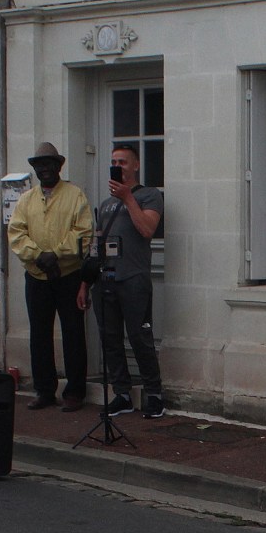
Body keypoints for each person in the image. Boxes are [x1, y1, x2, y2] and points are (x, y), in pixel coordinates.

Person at [77, 144, 166, 418]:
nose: (118, 166)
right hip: (105, 279)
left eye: (123, 162)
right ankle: (122, 394)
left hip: (134, 279)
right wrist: (84, 283)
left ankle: (154, 394)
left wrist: (128, 198)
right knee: (110, 339)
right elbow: (97, 245)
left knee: (140, 337)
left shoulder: (150, 196)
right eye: (114, 161)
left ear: (136, 165)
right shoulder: (105, 205)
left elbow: (148, 229)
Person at [8, 142, 93, 412]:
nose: (45, 169)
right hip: (37, 276)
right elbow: (16, 234)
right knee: (39, 335)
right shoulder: (25, 200)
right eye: (39, 165)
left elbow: (83, 232)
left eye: (49, 164)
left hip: (68, 275)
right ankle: (44, 390)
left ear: (59, 166)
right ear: (34, 169)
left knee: (73, 334)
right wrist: (39, 257)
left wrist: (55, 254)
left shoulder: (75, 195)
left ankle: (75, 393)